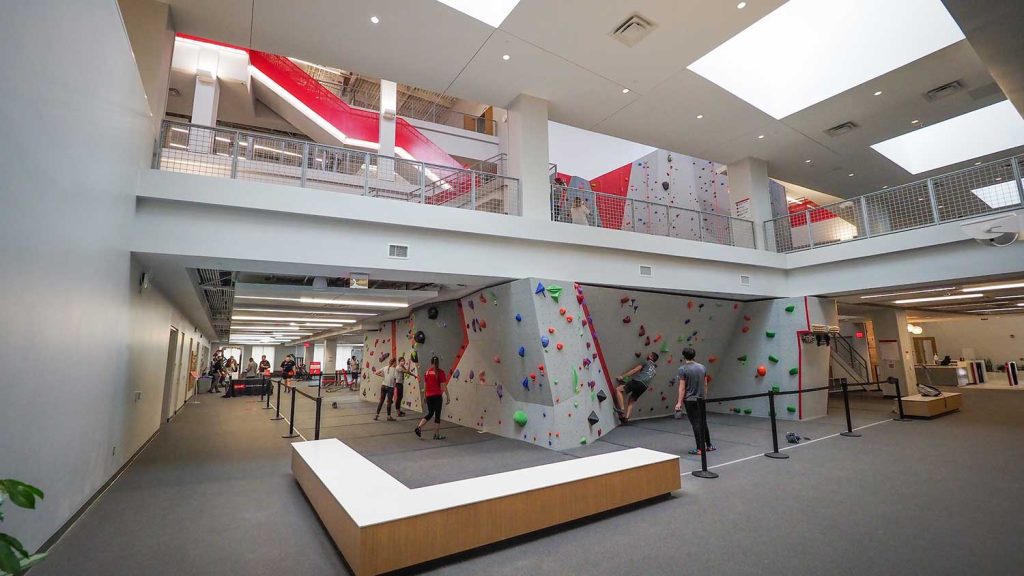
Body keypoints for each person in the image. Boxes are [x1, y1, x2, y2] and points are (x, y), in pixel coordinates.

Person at [675, 347, 714, 455]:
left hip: (690, 400)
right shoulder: (702, 367)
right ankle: (709, 445)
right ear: (694, 355)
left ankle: (699, 448)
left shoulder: (682, 369)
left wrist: (679, 403)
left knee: (696, 423)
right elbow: (705, 384)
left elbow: (682, 388)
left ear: (684, 356)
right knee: (703, 422)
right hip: (700, 399)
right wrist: (704, 397)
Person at [614, 352, 659, 424]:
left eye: (649, 354)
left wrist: (622, 377)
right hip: (644, 386)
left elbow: (634, 370)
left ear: (651, 357)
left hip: (638, 381)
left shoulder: (646, 362)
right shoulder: (654, 370)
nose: (647, 355)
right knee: (632, 400)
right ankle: (626, 418)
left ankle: (621, 409)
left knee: (618, 390)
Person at [415, 356, 449, 440]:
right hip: (437, 396)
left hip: (429, 396)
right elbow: (444, 386)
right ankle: (436, 435)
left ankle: (419, 427)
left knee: (430, 413)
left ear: (431, 362)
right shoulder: (441, 372)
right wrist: (448, 396)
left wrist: (424, 396)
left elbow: (425, 385)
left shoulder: (427, 372)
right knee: (437, 415)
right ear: (438, 363)